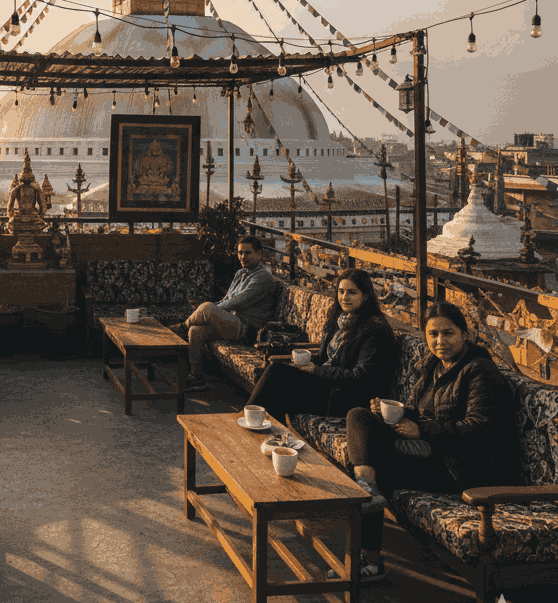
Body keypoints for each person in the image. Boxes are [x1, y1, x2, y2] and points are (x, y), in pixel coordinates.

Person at [336, 300, 521, 584]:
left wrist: (422, 429)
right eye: (433, 334)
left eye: (448, 333)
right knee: (359, 417)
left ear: (464, 334)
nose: (440, 341)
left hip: (464, 469)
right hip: (433, 452)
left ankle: (370, 560)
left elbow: (479, 429)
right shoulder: (434, 366)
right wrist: (389, 410)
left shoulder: (479, 371)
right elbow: (419, 412)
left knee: (374, 463)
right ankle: (367, 491)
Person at [244, 268, 396, 424]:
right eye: (341, 291)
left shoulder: (375, 330)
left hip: (346, 399)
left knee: (276, 376)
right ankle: (267, 435)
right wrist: (306, 367)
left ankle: (251, 425)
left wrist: (316, 370)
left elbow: (360, 377)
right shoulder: (340, 319)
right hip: (328, 388)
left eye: (352, 292)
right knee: (277, 379)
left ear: (365, 296)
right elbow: (324, 358)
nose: (344, 297)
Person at [183, 236, 278, 391]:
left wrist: (212, 310)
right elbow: (227, 299)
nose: (242, 257)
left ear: (259, 254)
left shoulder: (263, 277)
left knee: (207, 307)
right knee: (195, 331)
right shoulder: (240, 273)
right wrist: (213, 311)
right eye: (240, 253)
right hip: (233, 323)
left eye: (248, 253)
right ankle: (197, 378)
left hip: (249, 331)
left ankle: (179, 328)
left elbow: (237, 302)